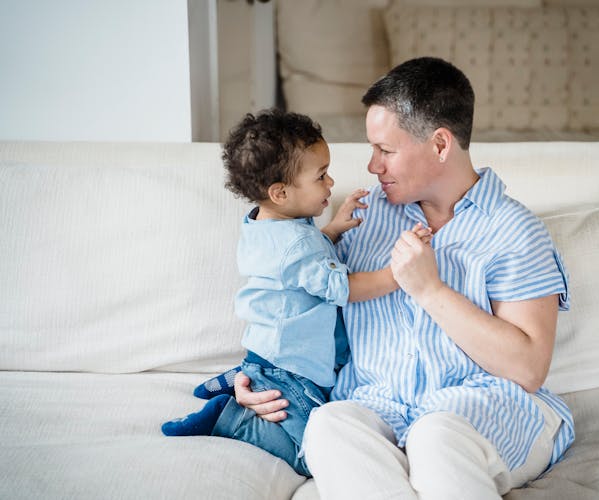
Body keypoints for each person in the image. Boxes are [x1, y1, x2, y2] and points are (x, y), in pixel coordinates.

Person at [202, 57, 574, 499]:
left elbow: (528, 368)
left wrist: (429, 289)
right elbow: (299, 308)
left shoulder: (512, 229)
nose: (373, 166)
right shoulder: (362, 216)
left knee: (434, 437)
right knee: (327, 425)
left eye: (386, 150)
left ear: (440, 145)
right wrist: (261, 382)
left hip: (480, 408)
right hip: (375, 406)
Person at [161, 109, 430, 477]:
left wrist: (333, 229)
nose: (331, 182)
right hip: (291, 371)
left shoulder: (265, 225)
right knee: (312, 455)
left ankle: (241, 377)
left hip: (270, 351)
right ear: (280, 192)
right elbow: (343, 288)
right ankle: (230, 419)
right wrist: (398, 273)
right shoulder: (297, 245)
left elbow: (302, 265)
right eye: (321, 176)